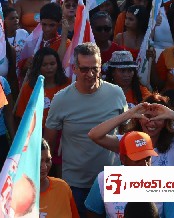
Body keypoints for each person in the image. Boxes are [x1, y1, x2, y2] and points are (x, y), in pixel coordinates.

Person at [44, 43, 128, 217]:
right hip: (76, 185)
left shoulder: (116, 93)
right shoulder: (61, 99)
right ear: (74, 69)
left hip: (112, 181)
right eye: (84, 69)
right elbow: (48, 143)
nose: (90, 74)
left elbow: (126, 135)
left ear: (101, 67)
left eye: (94, 69)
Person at [84, 131, 174, 218]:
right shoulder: (105, 179)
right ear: (123, 159)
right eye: (137, 160)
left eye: (147, 159)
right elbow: (92, 213)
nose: (144, 165)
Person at [88, 92, 174, 167]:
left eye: (158, 118)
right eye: (148, 116)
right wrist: (128, 114)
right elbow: (94, 135)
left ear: (166, 122)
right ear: (139, 119)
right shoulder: (127, 141)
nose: (152, 122)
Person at [15, 47, 70, 129]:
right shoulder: (29, 87)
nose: (49, 68)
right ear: (38, 67)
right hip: (36, 132)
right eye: (44, 65)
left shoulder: (67, 84)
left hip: (62, 131)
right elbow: (22, 116)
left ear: (58, 65)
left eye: (52, 64)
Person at [38, 138, 79, 217]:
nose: (44, 167)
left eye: (48, 160)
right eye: (39, 161)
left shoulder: (62, 187)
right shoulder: (14, 192)